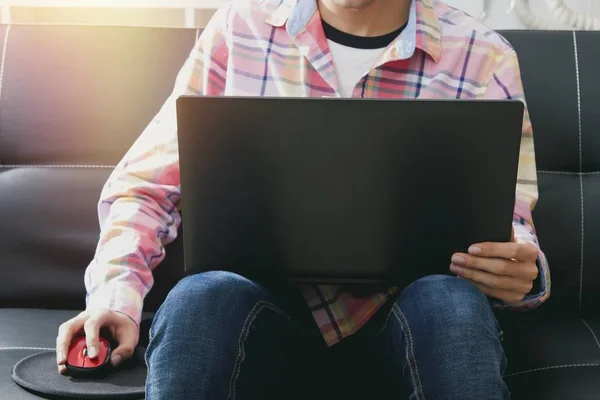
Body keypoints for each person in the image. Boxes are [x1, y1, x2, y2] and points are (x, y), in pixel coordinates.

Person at [55, 0, 551, 398]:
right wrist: (115, 298)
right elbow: (148, 185)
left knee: (453, 303)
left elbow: (511, 220)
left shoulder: (483, 54)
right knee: (199, 298)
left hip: (411, 317)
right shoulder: (239, 28)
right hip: (264, 313)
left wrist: (522, 272)